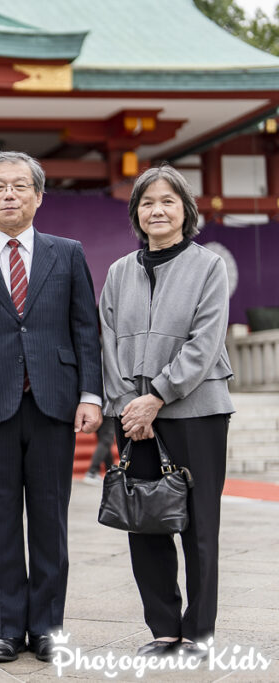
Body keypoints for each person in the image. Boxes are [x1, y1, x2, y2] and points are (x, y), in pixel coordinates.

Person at [0, 151, 103, 664]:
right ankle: (7, 628)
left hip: (55, 401)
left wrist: (90, 394)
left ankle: (48, 629)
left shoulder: (68, 252)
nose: (9, 194)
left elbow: (85, 328)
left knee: (50, 521)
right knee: (0, 522)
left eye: (19, 186)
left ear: (38, 196)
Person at [100, 164, 233, 660]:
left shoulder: (208, 266)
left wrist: (157, 393)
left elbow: (205, 342)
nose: (157, 210)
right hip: (134, 418)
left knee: (199, 525)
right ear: (137, 213)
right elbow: (106, 343)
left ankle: (199, 632)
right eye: (147, 202)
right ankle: (163, 628)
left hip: (197, 411)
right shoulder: (118, 272)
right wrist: (128, 405)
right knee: (145, 521)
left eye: (168, 201)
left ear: (185, 210)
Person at [82, 417, 117, 484]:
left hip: (99, 411)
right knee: (106, 440)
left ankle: (111, 473)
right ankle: (92, 472)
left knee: (104, 441)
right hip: (108, 412)